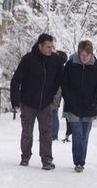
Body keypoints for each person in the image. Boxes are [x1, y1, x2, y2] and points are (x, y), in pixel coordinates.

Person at [10, 33, 64, 170]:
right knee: (27, 131)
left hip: (46, 103)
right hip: (28, 102)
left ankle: (46, 160)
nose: (50, 49)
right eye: (47, 47)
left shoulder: (55, 61)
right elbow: (16, 80)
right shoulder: (28, 59)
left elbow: (60, 79)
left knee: (46, 132)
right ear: (40, 46)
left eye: (52, 47)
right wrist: (15, 101)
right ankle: (25, 156)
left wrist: (51, 95)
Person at [61, 39, 97, 172]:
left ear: (91, 54)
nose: (84, 58)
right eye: (82, 55)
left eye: (87, 55)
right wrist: (69, 99)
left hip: (90, 106)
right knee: (77, 133)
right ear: (78, 53)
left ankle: (82, 160)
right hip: (73, 106)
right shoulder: (71, 65)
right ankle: (78, 161)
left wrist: (95, 101)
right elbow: (64, 84)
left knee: (85, 135)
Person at [50, 51, 68, 141]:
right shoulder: (62, 68)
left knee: (53, 112)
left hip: (56, 91)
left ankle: (53, 135)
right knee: (54, 112)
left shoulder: (57, 68)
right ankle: (53, 134)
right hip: (59, 92)